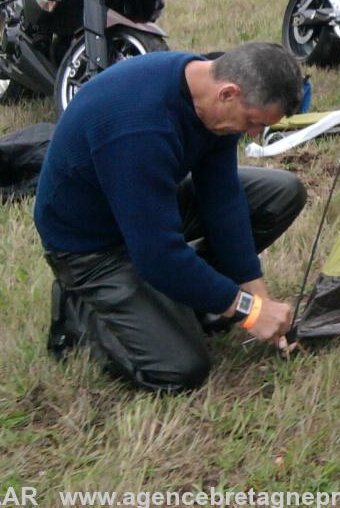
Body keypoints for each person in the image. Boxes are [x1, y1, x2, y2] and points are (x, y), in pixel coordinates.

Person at [34, 41, 306, 392]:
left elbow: (222, 200)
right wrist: (248, 311)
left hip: (142, 205)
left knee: (282, 193)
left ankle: (182, 296)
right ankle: (80, 308)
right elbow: (156, 257)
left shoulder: (213, 98)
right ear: (228, 93)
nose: (253, 134)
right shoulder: (140, 126)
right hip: (89, 245)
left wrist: (257, 293)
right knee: (180, 368)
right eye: (253, 122)